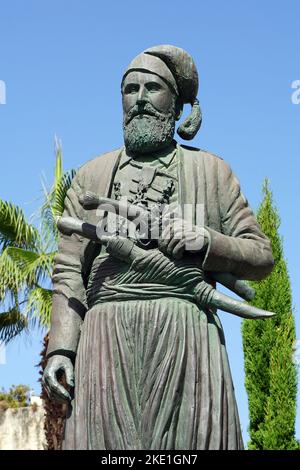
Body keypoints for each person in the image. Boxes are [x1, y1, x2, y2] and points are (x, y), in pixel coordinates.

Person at [43, 45, 274, 450]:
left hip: (188, 339)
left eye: (153, 88)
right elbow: (67, 269)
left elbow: (261, 257)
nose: (140, 99)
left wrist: (206, 242)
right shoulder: (93, 175)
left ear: (175, 102)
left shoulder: (210, 171)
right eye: (130, 89)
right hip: (105, 340)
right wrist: (62, 347)